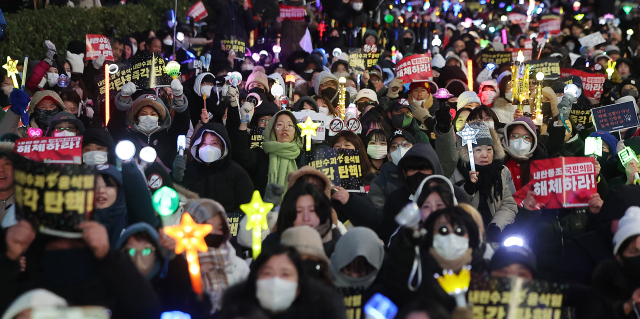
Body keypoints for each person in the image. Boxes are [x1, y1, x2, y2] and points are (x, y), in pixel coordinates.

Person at [0, 220, 161, 318]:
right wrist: (9, 258)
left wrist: (108, 256)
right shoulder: (25, 294)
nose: (67, 248)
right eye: (57, 245)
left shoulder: (110, 294)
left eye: (76, 245)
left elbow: (148, 311)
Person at [217, 245, 346, 319]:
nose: (275, 280)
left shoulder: (322, 310)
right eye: (267, 273)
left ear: (298, 286)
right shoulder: (236, 311)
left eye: (285, 274)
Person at [116, 222, 209, 317]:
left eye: (146, 250)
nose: (138, 257)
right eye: (131, 250)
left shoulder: (169, 285)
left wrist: (173, 258)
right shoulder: (113, 287)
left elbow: (194, 303)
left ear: (156, 254)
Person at [450, 122, 517, 238]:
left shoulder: (501, 171)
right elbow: (451, 205)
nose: (485, 155)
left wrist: (496, 226)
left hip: (495, 234)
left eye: (489, 149)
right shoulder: (456, 172)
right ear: (467, 152)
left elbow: (509, 204)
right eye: (478, 150)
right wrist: (467, 189)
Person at [184, 199, 250, 313]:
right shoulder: (180, 265)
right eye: (207, 228)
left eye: (219, 228)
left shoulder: (239, 266)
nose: (214, 233)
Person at [175, 123, 254, 217]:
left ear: (222, 147)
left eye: (214, 143)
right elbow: (173, 200)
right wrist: (175, 177)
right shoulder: (188, 170)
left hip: (227, 226)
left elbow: (247, 204)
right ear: (197, 145)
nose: (208, 148)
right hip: (196, 225)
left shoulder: (236, 172)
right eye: (203, 143)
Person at [112, 83, 190, 170]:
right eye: (143, 114)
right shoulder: (128, 138)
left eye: (153, 114)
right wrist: (123, 100)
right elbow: (114, 128)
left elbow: (182, 125)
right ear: (136, 118)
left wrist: (179, 99)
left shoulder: (168, 137)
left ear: (160, 118)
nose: (148, 117)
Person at [230, 109, 302, 194]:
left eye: (290, 125)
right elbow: (240, 154)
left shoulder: (302, 157)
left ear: (295, 131)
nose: (285, 128)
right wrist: (243, 122)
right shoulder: (261, 154)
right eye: (279, 124)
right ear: (271, 130)